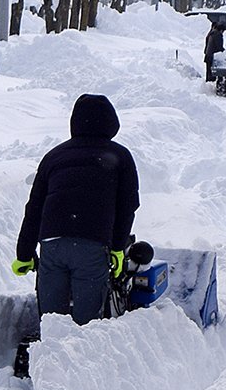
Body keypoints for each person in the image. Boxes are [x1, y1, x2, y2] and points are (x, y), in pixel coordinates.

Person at [12, 93, 140, 325]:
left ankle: (46, 359)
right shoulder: (119, 156)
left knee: (51, 323)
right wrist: (118, 248)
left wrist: (24, 254)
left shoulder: (54, 156)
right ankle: (83, 356)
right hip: (91, 246)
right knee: (85, 325)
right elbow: (127, 206)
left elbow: (34, 208)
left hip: (52, 244)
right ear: (112, 123)